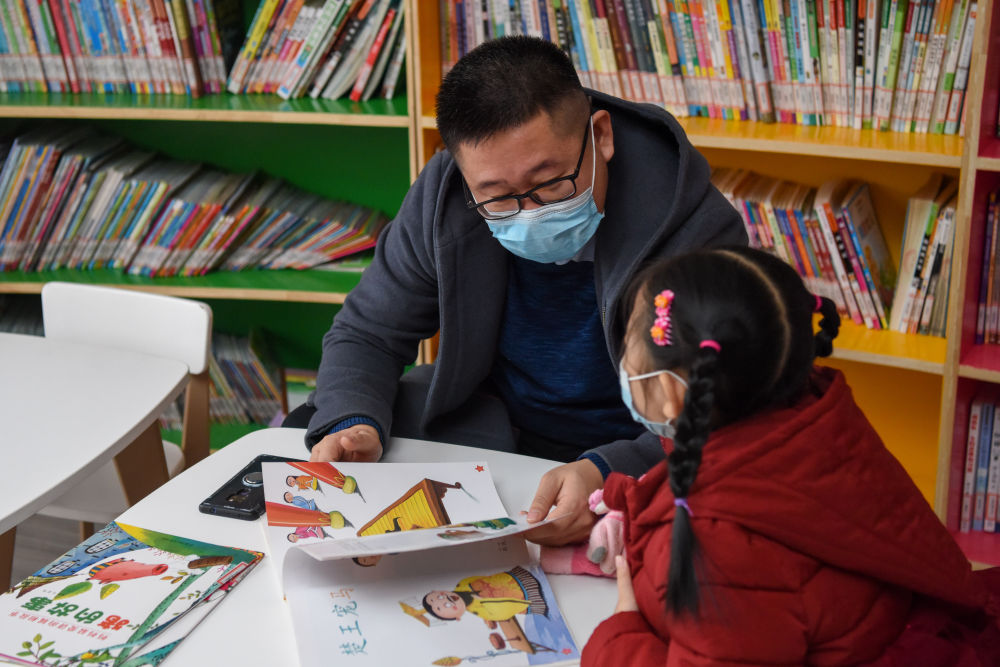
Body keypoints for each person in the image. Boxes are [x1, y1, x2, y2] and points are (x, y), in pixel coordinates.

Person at [284, 35, 746, 546]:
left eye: (551, 184)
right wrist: (353, 422)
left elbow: (724, 401)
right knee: (308, 440)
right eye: (498, 198)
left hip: (639, 443)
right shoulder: (445, 198)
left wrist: (608, 469)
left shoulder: (694, 227)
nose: (530, 212)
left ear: (601, 136)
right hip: (491, 426)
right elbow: (369, 331)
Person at [582, 246, 1000, 665]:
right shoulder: (812, 422)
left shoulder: (718, 549)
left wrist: (621, 638)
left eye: (628, 341)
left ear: (671, 391)